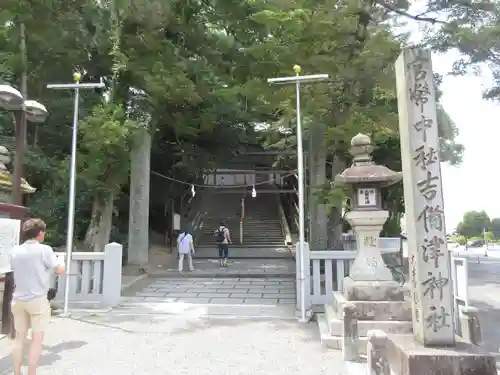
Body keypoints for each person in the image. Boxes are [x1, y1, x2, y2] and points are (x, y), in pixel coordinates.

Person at [9, 218, 65, 375]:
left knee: (19, 338)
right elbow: (59, 270)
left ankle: (16, 372)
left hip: (18, 299)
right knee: (36, 339)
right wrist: (61, 260)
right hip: (37, 300)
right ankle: (31, 373)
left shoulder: (15, 250)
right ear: (40, 233)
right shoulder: (45, 250)